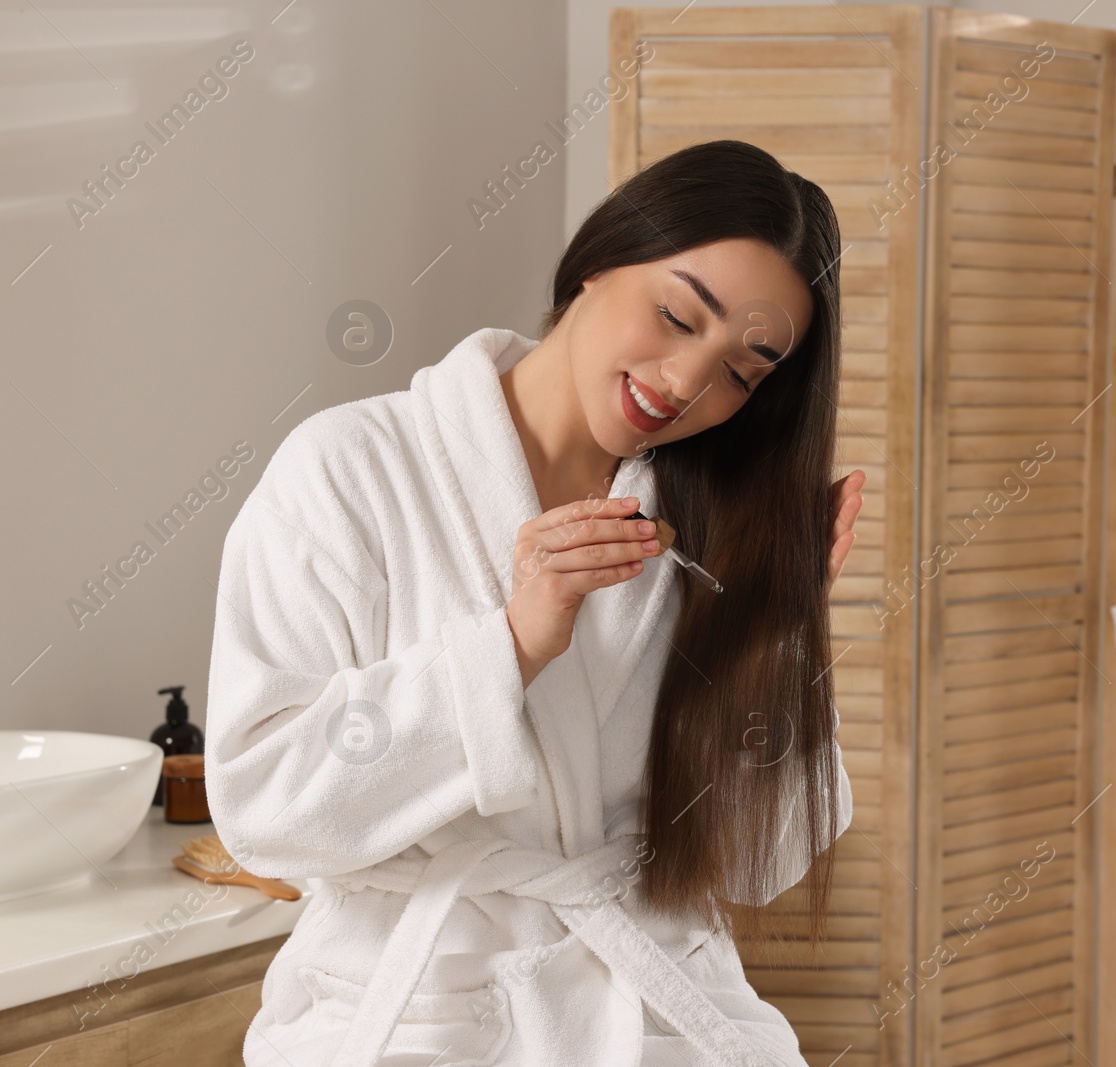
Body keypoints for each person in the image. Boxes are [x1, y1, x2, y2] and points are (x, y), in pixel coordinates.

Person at [205, 138, 866, 1067]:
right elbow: (264, 807)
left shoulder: (702, 529)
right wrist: (508, 648)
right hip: (423, 1012)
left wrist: (780, 636)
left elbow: (762, 865)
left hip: (655, 1009)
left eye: (740, 373)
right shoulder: (349, 471)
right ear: (599, 259)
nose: (686, 384)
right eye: (677, 315)